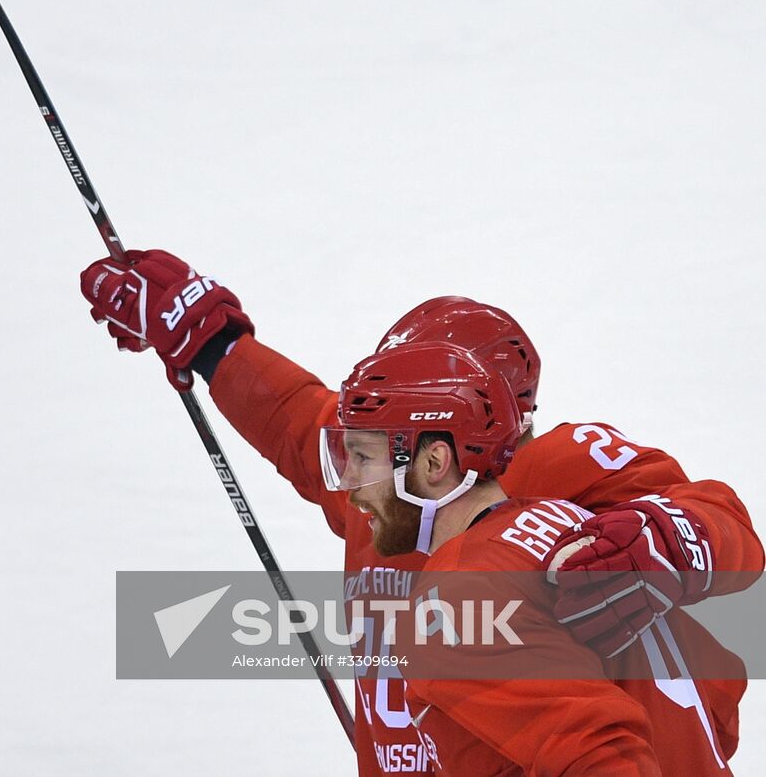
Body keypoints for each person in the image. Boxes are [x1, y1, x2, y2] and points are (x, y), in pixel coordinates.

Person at [79, 249, 760, 774]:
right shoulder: (388, 482)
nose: (349, 475)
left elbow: (719, 522)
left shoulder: (555, 477)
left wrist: (674, 534)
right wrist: (212, 344)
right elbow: (295, 421)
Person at [326, 341, 734, 773]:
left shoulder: (458, 599)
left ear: (434, 462)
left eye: (363, 457)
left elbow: (602, 761)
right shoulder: (572, 522)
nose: (349, 486)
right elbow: (722, 685)